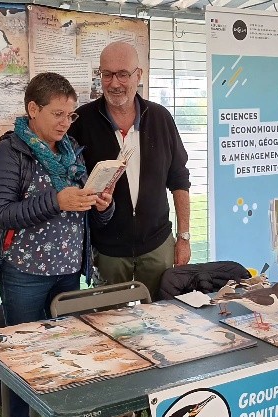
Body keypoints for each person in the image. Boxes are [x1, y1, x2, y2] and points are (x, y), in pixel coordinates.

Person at [0, 73, 115, 417]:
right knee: (23, 355)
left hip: (69, 270)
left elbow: (83, 208)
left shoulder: (71, 150)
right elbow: (3, 213)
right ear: (32, 109)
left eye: (70, 115)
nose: (65, 123)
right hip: (24, 273)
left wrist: (102, 204)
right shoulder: (10, 152)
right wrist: (57, 201)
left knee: (66, 351)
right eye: (58, 113)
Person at [68, 41, 192, 300]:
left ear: (139, 75)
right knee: (109, 326)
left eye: (123, 74)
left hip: (158, 247)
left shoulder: (160, 118)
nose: (115, 83)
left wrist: (184, 237)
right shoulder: (81, 122)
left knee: (162, 322)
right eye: (107, 74)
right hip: (108, 251)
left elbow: (179, 179)